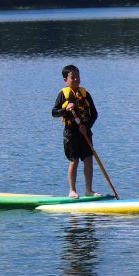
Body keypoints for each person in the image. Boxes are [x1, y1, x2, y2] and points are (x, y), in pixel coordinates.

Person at [52, 64, 98, 198]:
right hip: (71, 132)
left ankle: (89, 190)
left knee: (88, 160)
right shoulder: (63, 94)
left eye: (78, 77)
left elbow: (94, 114)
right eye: (73, 77)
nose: (76, 80)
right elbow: (54, 113)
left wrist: (87, 126)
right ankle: (72, 190)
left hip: (85, 131)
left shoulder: (85, 94)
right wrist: (65, 109)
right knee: (74, 160)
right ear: (66, 80)